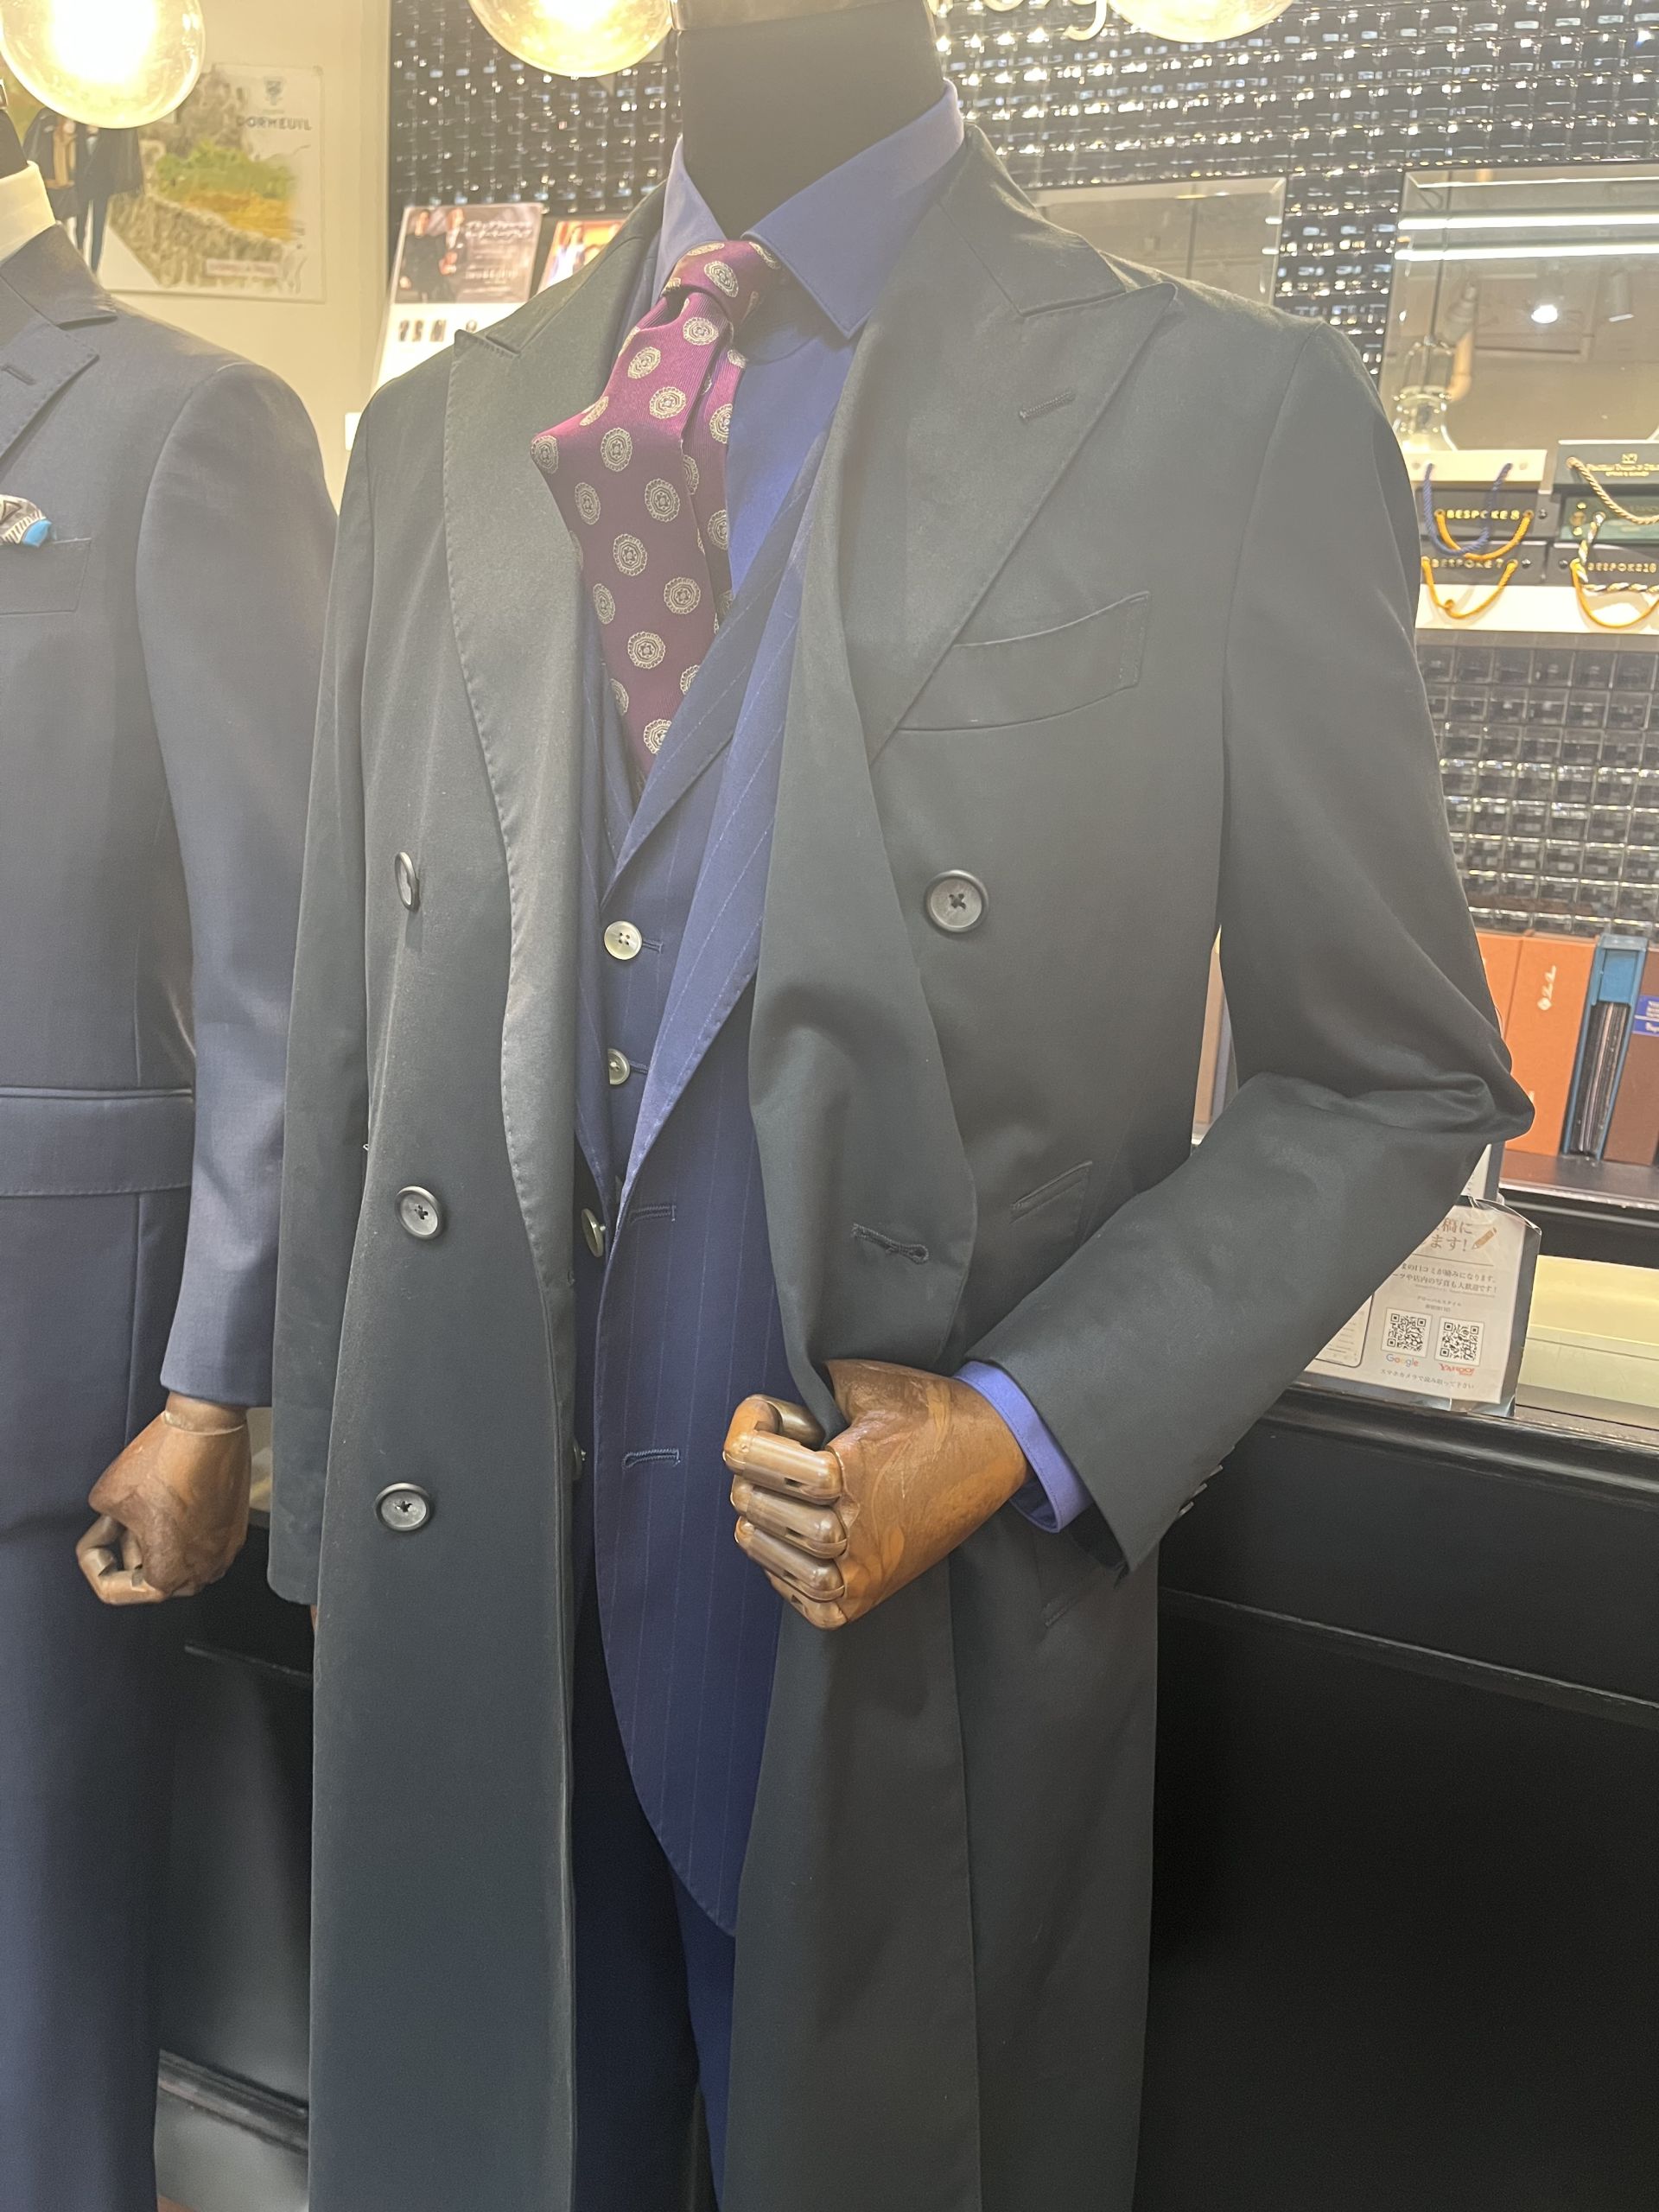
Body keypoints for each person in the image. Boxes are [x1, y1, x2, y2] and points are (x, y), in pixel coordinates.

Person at [270, 0, 1529, 2204]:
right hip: (477, 1600)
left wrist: (1028, 1422)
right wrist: (319, 1517)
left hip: (887, 1639)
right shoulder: (436, 432)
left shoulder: (1221, 416)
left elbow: (1395, 1068)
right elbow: (357, 1033)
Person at [0, 110, 334, 2212]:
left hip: (45, 1383)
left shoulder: (185, 424)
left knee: (35, 2002)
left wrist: (222, 1384)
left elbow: (282, 958)